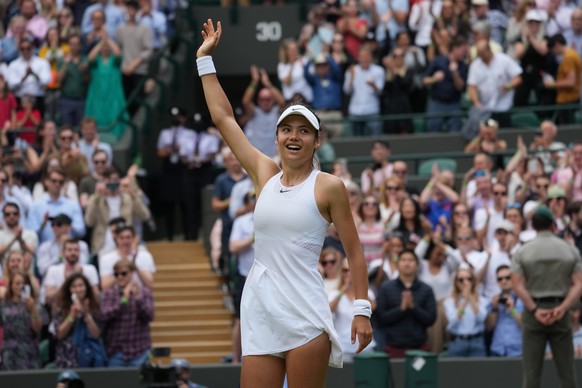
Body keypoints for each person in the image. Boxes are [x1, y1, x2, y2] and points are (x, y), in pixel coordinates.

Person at [196, 19, 372, 387]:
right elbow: (223, 117)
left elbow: (355, 252)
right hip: (260, 310)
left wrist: (362, 311)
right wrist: (205, 61)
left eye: (304, 130)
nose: (295, 136)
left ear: (316, 141)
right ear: (276, 137)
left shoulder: (328, 186)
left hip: (305, 313)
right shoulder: (264, 173)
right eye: (287, 130)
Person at [511, 205, 582, 388]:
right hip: (560, 312)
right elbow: (579, 284)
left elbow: (517, 285)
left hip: (534, 314)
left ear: (533, 226)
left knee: (531, 376)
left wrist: (535, 309)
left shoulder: (522, 251)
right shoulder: (569, 250)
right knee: (567, 375)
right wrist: (563, 308)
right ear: (553, 225)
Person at [375, 249, 437, 358]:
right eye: (403, 260)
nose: (407, 263)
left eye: (410, 260)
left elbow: (431, 319)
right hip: (393, 347)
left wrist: (413, 307)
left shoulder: (426, 289)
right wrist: (401, 309)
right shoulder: (386, 288)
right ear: (398, 264)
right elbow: (380, 318)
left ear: (417, 265)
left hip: (419, 347)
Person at [100, 258, 154, 367]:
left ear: (132, 274)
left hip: (139, 350)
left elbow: (149, 315)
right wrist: (123, 301)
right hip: (115, 351)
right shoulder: (109, 294)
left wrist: (137, 299)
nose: (120, 277)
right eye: (116, 274)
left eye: (124, 273)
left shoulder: (144, 292)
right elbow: (103, 316)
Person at [52, 272, 104, 368]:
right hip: (67, 356)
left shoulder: (94, 306)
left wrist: (86, 315)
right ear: (69, 289)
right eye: (74, 286)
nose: (78, 289)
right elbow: (59, 334)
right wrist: (71, 315)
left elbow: (96, 334)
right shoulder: (60, 307)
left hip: (89, 356)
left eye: (81, 285)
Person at [329, 257, 376, 362]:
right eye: (345, 270)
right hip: (343, 346)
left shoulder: (366, 293)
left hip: (365, 344)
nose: (348, 273)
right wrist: (343, 290)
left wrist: (358, 288)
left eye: (351, 270)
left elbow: (374, 306)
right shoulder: (335, 293)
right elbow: (329, 310)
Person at [0, 270, 44, 370]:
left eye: (24, 284)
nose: (21, 286)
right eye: (17, 283)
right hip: (9, 351)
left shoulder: (36, 305)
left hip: (29, 351)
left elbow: (38, 328)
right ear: (11, 285)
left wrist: (33, 309)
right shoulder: (3, 305)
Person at [444, 266, 489, 357]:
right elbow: (453, 321)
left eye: (469, 279)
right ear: (456, 283)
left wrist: (470, 298)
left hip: (477, 340)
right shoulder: (449, 302)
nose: (465, 282)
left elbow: (481, 318)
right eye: (461, 280)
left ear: (473, 281)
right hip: (458, 341)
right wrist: (464, 301)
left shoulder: (482, 300)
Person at [486, 264, 524, 357]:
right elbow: (488, 328)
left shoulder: (523, 299)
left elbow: (525, 325)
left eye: (507, 278)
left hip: (518, 350)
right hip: (498, 349)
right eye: (500, 279)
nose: (503, 281)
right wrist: (494, 309)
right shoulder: (494, 300)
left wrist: (512, 309)